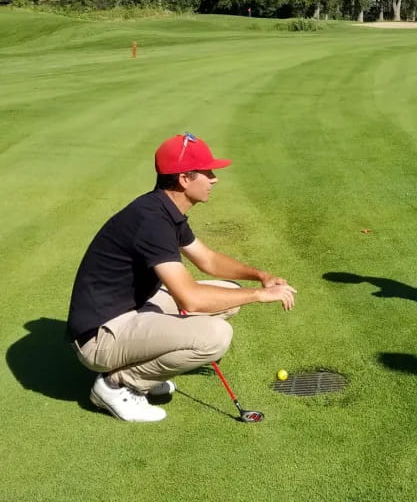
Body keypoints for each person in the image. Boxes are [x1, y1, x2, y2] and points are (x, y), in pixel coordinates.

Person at [67, 133, 297, 422]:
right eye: (208, 172)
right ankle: (119, 384)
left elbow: (208, 260)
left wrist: (260, 276)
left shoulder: (164, 209)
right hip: (101, 338)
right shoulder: (151, 220)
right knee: (216, 336)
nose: (215, 179)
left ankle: (145, 370)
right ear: (184, 179)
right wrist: (258, 295)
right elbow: (191, 299)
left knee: (228, 295)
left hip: (130, 311)